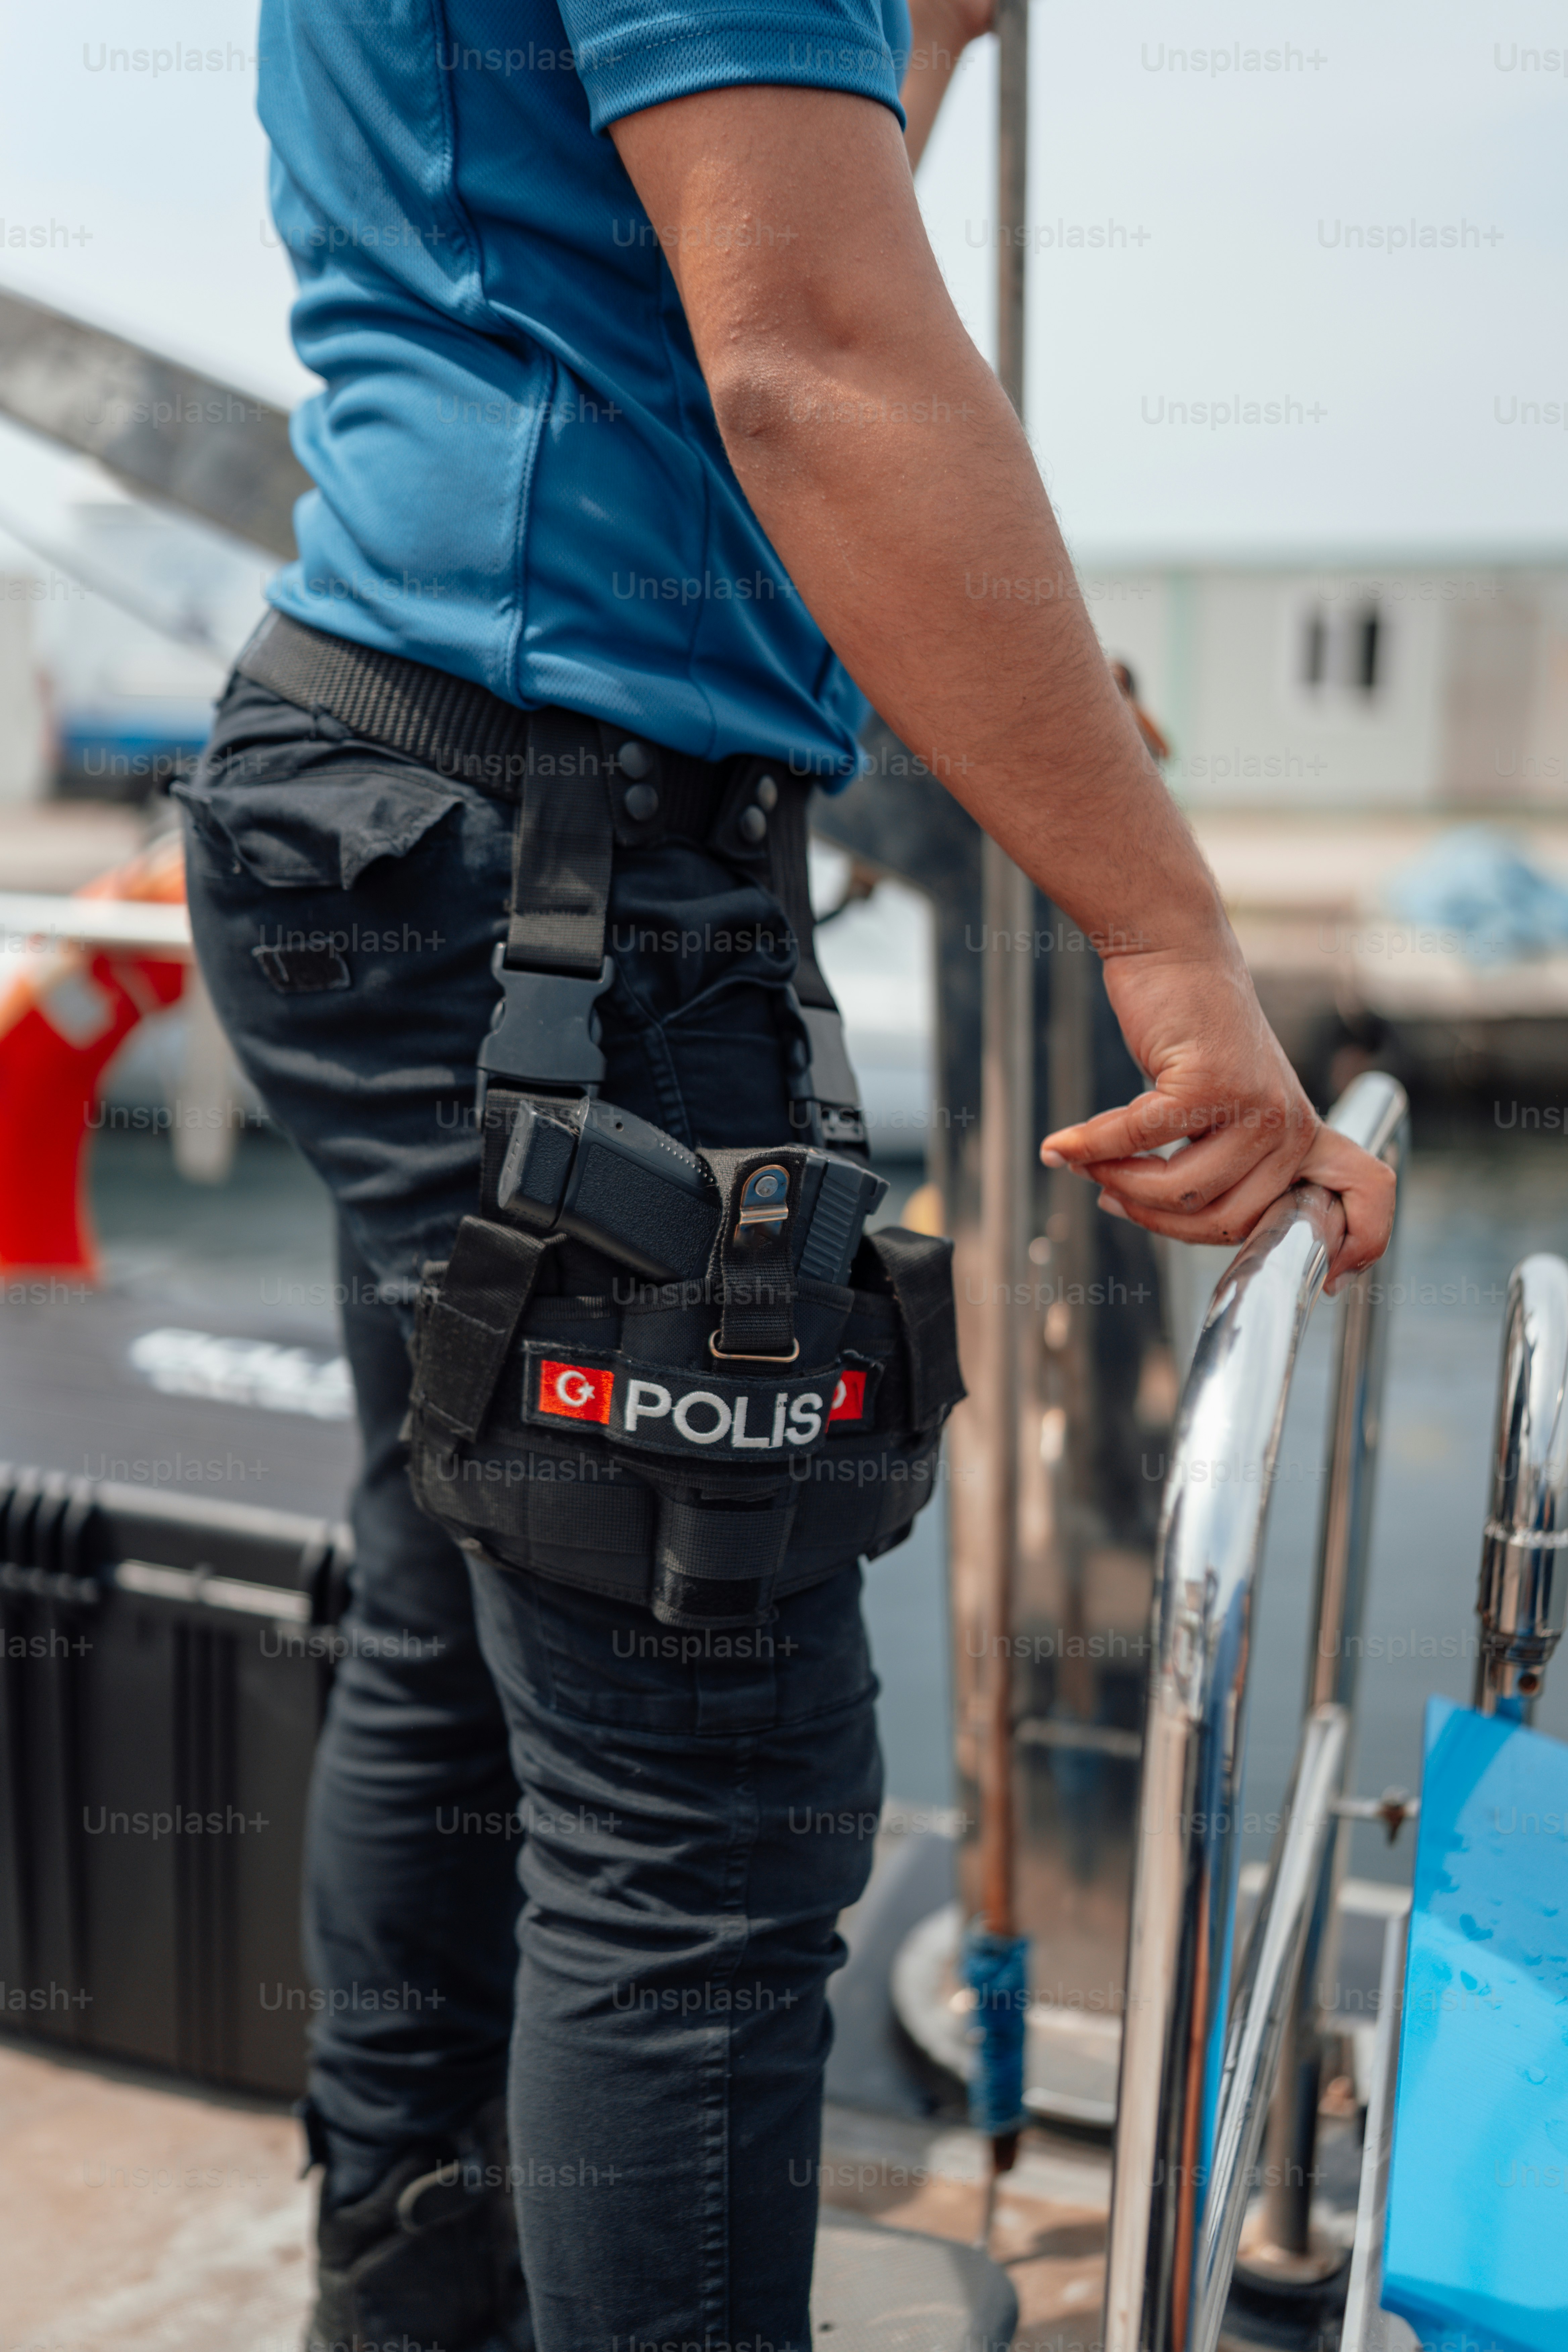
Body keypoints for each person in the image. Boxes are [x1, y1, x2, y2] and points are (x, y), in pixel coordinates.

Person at [177, 2, 1397, 2349]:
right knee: (704, 1815)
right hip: (569, 879)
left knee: (451, 1614)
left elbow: (683, 237)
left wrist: (907, 44)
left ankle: (409, 2307)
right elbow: (813, 355)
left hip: (377, 802)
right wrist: (1167, 935)